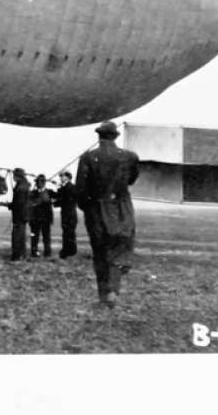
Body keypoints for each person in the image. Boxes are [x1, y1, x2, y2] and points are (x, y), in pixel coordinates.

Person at [76, 121, 140, 308]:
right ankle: (112, 289)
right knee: (119, 247)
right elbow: (132, 180)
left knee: (100, 250)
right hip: (121, 207)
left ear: (99, 136)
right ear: (116, 137)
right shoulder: (130, 157)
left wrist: (87, 208)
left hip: (96, 208)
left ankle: (104, 293)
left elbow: (81, 188)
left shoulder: (88, 158)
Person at [29, 174, 55, 258]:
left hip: (46, 219)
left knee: (46, 237)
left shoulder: (50, 192)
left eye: (40, 182)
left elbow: (59, 197)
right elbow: (30, 205)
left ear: (44, 183)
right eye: (37, 182)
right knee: (34, 238)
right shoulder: (32, 193)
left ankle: (47, 253)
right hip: (35, 219)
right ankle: (34, 252)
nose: (38, 184)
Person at [54, 171, 79, 259]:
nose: (60, 178)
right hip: (67, 213)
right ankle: (69, 251)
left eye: (62, 176)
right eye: (60, 176)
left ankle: (68, 252)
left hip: (70, 214)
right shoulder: (66, 187)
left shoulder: (71, 187)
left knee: (69, 233)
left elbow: (66, 199)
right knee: (67, 233)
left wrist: (56, 201)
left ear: (68, 177)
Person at [7, 168, 30, 261]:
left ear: (18, 176)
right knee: (21, 235)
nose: (13, 177)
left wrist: (11, 206)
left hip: (19, 215)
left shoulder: (20, 187)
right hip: (23, 215)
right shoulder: (24, 185)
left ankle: (16, 256)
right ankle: (21, 254)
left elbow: (19, 203)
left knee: (17, 235)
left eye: (14, 175)